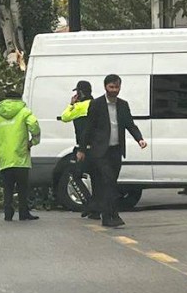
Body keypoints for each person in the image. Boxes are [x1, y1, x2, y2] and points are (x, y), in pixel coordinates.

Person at [77, 74, 148, 228]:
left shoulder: (123, 105)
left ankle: (104, 213)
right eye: (111, 87)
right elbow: (88, 128)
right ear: (105, 87)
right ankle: (110, 216)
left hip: (116, 151)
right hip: (100, 151)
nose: (114, 90)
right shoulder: (96, 104)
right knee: (108, 182)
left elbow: (130, 124)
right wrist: (82, 149)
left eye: (117, 87)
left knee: (110, 184)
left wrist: (139, 139)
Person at [0, 90, 41, 222]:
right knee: (23, 187)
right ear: (19, 99)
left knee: (8, 187)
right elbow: (34, 126)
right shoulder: (24, 112)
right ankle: (23, 212)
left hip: (4, 158)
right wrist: (33, 142)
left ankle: (8, 213)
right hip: (20, 156)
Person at [60, 80, 94, 213]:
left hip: (83, 147)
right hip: (97, 147)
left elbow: (65, 117)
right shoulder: (95, 104)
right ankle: (97, 206)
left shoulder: (79, 107)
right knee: (96, 178)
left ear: (80, 93)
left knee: (75, 175)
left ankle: (88, 203)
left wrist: (71, 104)